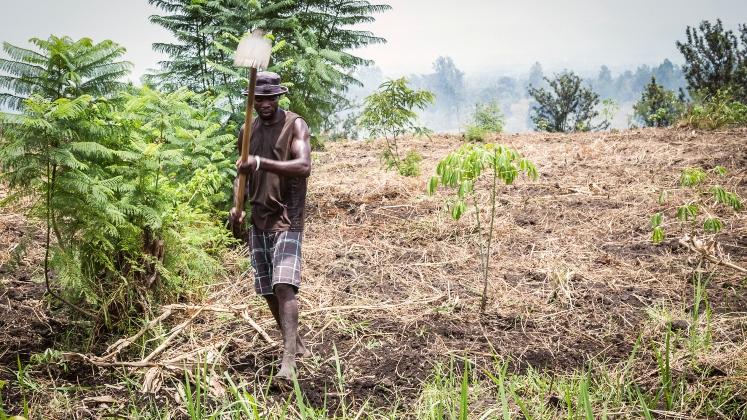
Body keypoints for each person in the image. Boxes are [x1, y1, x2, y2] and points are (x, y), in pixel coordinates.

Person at [229, 71, 312, 380]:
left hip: (288, 218)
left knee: (283, 286)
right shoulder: (246, 131)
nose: (265, 104)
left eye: (270, 98)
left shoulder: (295, 125)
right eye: (259, 99)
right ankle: (298, 343)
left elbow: (303, 167)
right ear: (253, 100)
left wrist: (261, 162)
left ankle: (288, 363)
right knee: (266, 290)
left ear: (279, 97)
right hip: (259, 218)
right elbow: (243, 173)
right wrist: (236, 207)